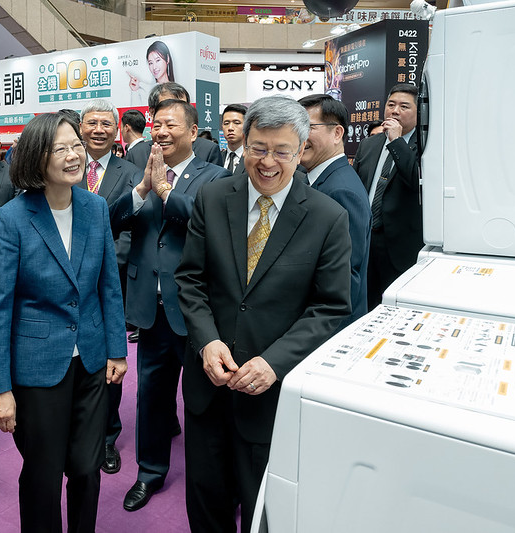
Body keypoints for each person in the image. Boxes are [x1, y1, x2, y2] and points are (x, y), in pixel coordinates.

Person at [175, 95, 352, 533]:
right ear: (244, 142)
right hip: (209, 387)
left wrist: (274, 363)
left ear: (301, 149)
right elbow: (191, 280)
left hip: (273, 396)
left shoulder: (328, 217)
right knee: (206, 504)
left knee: (265, 510)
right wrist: (207, 341)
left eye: (281, 151)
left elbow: (331, 306)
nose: (267, 162)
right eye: (258, 148)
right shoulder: (213, 198)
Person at [0, 112, 127, 533]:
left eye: (76, 145)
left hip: (92, 361)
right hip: (37, 365)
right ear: (36, 158)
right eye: (60, 148)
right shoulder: (12, 217)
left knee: (87, 467)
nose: (73, 155)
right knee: (43, 475)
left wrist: (117, 349)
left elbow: (108, 285)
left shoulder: (95, 207)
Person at [109, 99, 231, 512]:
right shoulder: (140, 172)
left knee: (204, 400)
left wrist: (165, 189)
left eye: (170, 125)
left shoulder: (214, 176)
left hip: (196, 310)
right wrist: (144, 188)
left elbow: (206, 222)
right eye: (156, 124)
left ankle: (210, 478)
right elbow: (113, 221)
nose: (160, 132)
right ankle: (149, 472)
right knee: (151, 396)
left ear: (193, 132)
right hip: (151, 308)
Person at [78, 99, 144, 475]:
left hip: (112, 279)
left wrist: (109, 261)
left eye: (106, 123)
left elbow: (136, 224)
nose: (99, 130)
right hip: (66, 280)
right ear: (81, 127)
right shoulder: (65, 164)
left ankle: (106, 437)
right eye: (92, 123)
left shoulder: (131, 171)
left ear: (117, 129)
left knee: (110, 359)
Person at [299, 94, 371, 328]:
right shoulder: (315, 180)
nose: (298, 136)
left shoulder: (341, 191)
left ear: (337, 133)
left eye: (308, 127)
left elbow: (344, 278)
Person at [352, 83, 421, 309]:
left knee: (394, 303)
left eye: (404, 106)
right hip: (365, 236)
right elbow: (357, 185)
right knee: (364, 300)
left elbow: (415, 180)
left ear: (419, 111)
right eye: (391, 105)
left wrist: (397, 141)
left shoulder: (424, 145)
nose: (395, 111)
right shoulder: (369, 144)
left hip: (400, 244)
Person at [125, 82, 225, 169]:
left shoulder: (207, 150)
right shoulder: (136, 155)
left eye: (182, 106)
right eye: (167, 106)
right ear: (152, 112)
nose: (175, 111)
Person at [128, 41, 174, 106]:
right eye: (151, 63)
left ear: (167, 59)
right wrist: (134, 91)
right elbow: (135, 111)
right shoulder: (146, 91)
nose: (154, 67)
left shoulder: (177, 90)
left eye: (158, 60)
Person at [220, 103, 247, 174]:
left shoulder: (252, 158)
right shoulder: (217, 158)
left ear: (247, 126)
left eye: (236, 123)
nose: (230, 128)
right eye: (226, 123)